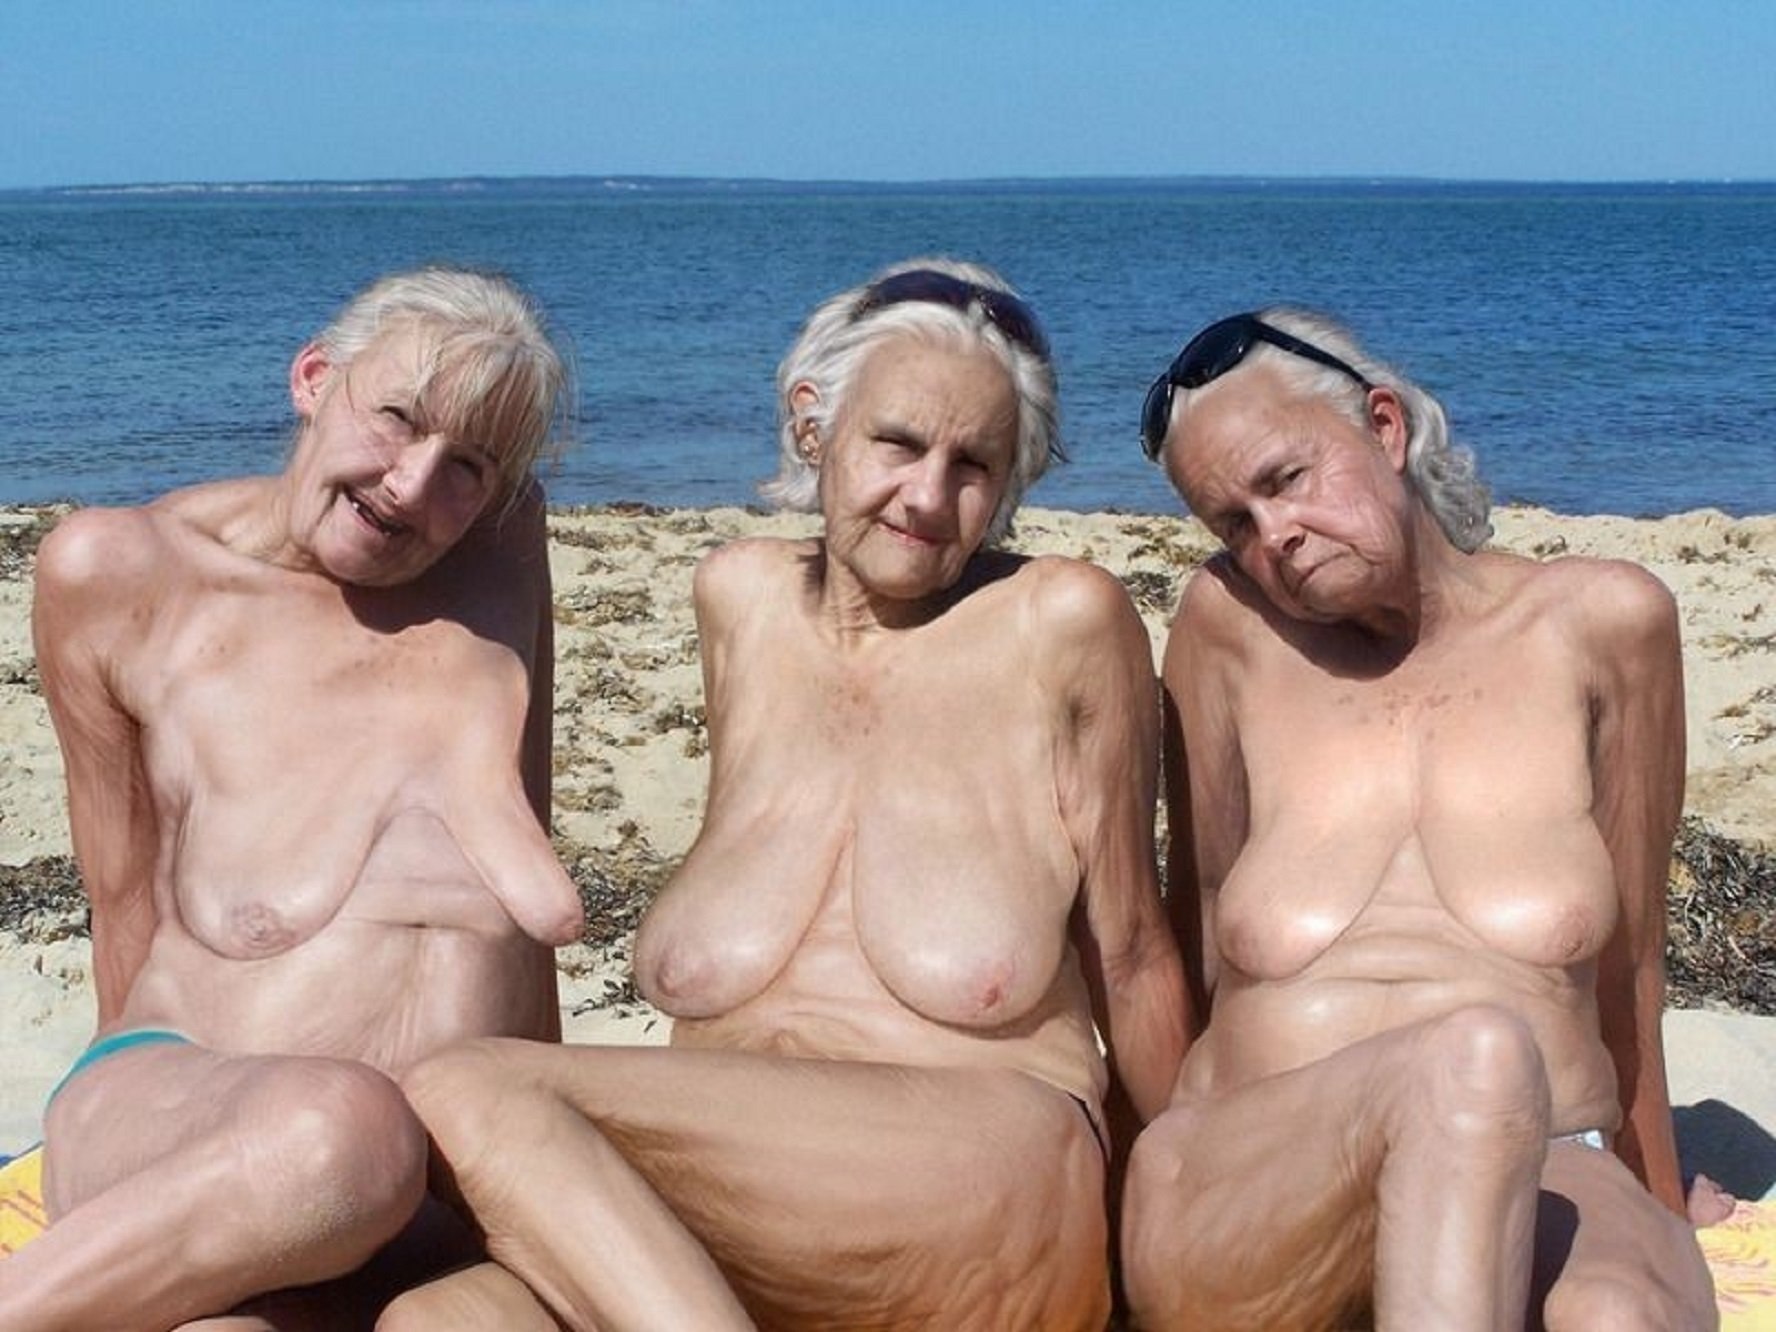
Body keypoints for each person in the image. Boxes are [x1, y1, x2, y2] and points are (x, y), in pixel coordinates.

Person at [384, 258, 1189, 1330]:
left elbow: (1131, 953)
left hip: (978, 1180)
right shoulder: (740, 599)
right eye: (897, 443)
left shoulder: (1063, 621)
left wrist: (1166, 1236)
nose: (928, 497)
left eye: (975, 466)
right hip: (736, 1204)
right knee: (442, 1322)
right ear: (814, 425)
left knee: (458, 1088)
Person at [3, 265, 584, 1330]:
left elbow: (521, 867)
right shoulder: (121, 573)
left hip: (417, 1211)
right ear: (314, 377)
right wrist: (153, 1158)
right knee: (342, 1132)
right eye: (396, 418)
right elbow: (119, 894)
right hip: (220, 1123)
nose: (410, 485)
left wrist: (540, 1125)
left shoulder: (496, 558)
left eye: (467, 466)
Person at [1121, 308, 1718, 1330]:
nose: (1274, 538)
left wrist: (1657, 1203)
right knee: (1471, 1059)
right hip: (1260, 1174)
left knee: (1622, 1316)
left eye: (1285, 479)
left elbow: (1634, 967)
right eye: (1234, 525)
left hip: (1549, 1155)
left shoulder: (1605, 624)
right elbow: (1191, 931)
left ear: (1386, 427)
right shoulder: (1230, 631)